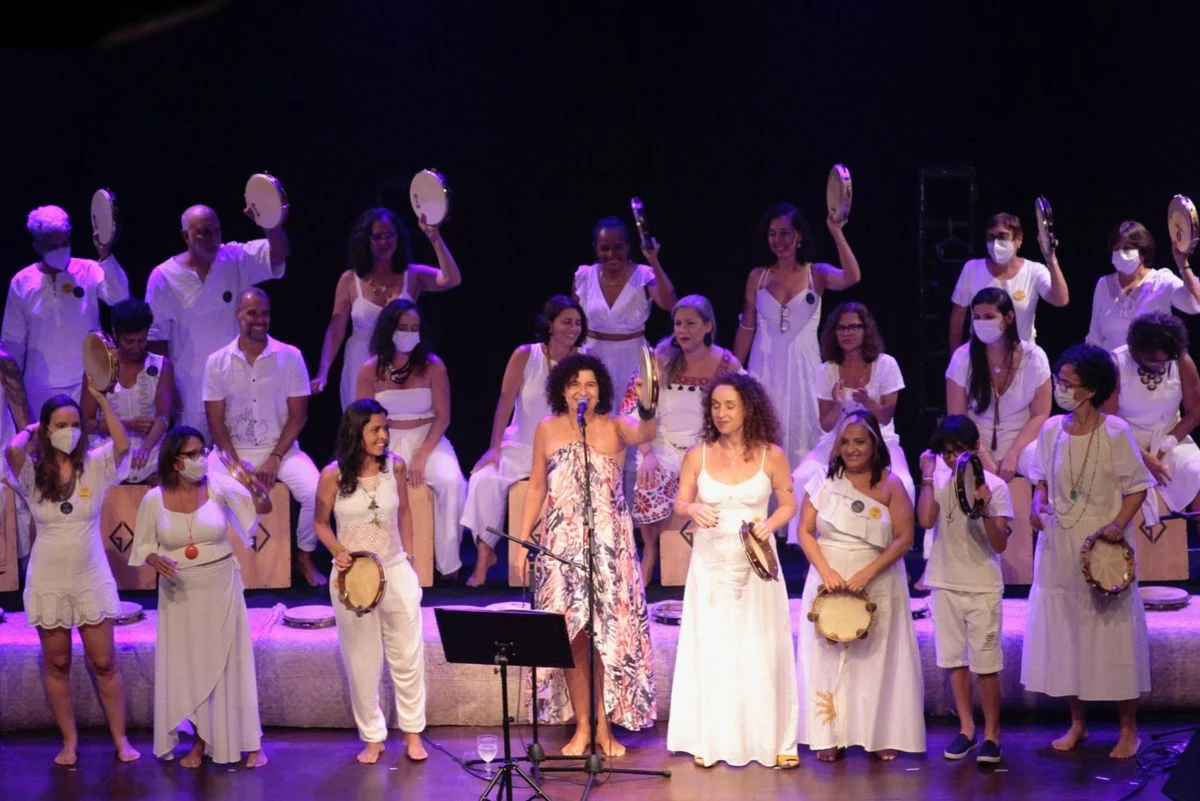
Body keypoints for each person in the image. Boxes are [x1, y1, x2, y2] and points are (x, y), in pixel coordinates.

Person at [514, 353, 657, 756]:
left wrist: (648, 403)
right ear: (561, 388)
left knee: (608, 639)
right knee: (572, 636)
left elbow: (645, 431)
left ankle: (606, 730)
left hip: (610, 548)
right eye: (575, 383)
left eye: (591, 384)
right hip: (561, 546)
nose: (582, 390)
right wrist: (522, 541)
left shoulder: (616, 426)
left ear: (601, 391)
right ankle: (582, 726)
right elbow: (538, 487)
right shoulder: (547, 428)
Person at [1024, 344, 1152, 760]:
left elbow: (1137, 487)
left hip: (1104, 548)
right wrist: (1036, 503)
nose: (1061, 389)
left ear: (1091, 389)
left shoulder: (1116, 432)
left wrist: (1117, 526)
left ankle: (1127, 728)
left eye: (1068, 384)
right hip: (1059, 546)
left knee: (1112, 636)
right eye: (1060, 381)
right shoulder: (1050, 431)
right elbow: (1041, 478)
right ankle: (1077, 723)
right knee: (1067, 634)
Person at [2, 387, 139, 765]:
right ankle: (69, 742)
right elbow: (11, 452)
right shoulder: (32, 472)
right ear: (47, 430)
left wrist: (103, 401)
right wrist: (31, 428)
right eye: (61, 425)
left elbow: (123, 444)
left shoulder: (94, 464)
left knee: (105, 662)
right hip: (48, 579)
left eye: (75, 424)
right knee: (57, 664)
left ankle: (121, 739)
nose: (70, 431)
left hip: (90, 575)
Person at [667, 373, 798, 768]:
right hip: (711, 562)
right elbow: (679, 504)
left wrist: (770, 524)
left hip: (756, 562)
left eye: (730, 406)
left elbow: (788, 504)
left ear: (748, 408)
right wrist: (692, 509)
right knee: (715, 645)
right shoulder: (698, 454)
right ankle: (711, 738)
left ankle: (771, 738)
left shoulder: (771, 454)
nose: (721, 413)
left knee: (759, 645)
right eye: (716, 406)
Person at [129, 426, 271, 768]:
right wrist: (154, 558)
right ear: (174, 460)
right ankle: (199, 742)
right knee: (190, 666)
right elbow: (144, 545)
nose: (199, 459)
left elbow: (262, 507)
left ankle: (252, 743)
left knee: (229, 664)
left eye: (201, 451)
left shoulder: (218, 486)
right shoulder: (154, 499)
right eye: (191, 454)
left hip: (221, 588)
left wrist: (253, 482)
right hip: (180, 594)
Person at [795, 409, 925, 761]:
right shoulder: (822, 481)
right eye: (846, 442)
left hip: (878, 577)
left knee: (876, 656)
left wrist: (868, 572)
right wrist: (825, 571)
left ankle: (879, 732)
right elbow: (804, 531)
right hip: (828, 577)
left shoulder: (891, 484)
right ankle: (829, 734)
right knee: (827, 654)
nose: (852, 449)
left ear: (874, 444)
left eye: (860, 442)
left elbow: (904, 538)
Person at [313, 399, 428, 764]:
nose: (383, 436)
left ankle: (413, 734)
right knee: (362, 658)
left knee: (408, 654)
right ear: (356, 432)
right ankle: (373, 737)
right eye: (375, 429)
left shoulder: (395, 467)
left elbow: (406, 514)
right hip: (353, 576)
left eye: (385, 429)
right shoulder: (333, 475)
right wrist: (337, 551)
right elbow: (320, 522)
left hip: (394, 567)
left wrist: (409, 560)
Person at [202, 288, 325, 586]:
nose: (260, 319)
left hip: (280, 449)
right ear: (238, 316)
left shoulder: (291, 356)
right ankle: (217, 565)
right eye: (252, 313)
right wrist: (236, 466)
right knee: (207, 494)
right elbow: (215, 422)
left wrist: (275, 458)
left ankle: (304, 557)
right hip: (232, 450)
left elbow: (299, 415)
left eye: (265, 313)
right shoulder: (217, 361)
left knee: (315, 491)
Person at [461, 296, 586, 587]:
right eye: (567, 321)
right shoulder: (526, 355)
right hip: (519, 446)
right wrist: (493, 448)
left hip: (562, 450)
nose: (573, 328)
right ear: (550, 324)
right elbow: (505, 401)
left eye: (578, 323)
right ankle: (484, 557)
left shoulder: (583, 361)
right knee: (483, 480)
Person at [619, 295, 740, 585]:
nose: (682, 330)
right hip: (660, 443)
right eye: (677, 324)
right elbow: (633, 409)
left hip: (704, 446)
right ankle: (650, 549)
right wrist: (647, 453)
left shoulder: (726, 364)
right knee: (650, 477)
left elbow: (743, 406)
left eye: (690, 324)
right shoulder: (658, 359)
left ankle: (689, 557)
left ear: (708, 326)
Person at [733, 203, 862, 467]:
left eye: (785, 233)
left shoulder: (817, 273)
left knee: (804, 428)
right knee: (763, 429)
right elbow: (747, 326)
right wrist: (734, 368)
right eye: (772, 234)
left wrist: (836, 232)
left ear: (799, 236)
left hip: (803, 366)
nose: (778, 240)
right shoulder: (758, 276)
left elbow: (852, 276)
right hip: (764, 364)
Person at [146, 203, 289, 440]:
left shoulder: (235, 257)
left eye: (216, 231)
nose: (212, 238)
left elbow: (279, 252)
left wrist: (269, 224)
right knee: (195, 458)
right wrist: (167, 389)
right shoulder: (162, 276)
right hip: (190, 387)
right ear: (186, 236)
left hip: (237, 382)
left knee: (240, 455)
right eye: (204, 232)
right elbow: (156, 340)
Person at [916, 416, 1012, 764]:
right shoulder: (938, 483)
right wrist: (927, 475)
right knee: (954, 661)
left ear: (974, 449)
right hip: (944, 583)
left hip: (982, 586)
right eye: (945, 453)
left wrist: (985, 508)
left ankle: (992, 735)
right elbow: (926, 520)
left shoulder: (997, 486)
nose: (952, 459)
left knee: (985, 664)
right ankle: (967, 729)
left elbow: (1000, 544)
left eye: (958, 451)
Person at [356, 299, 467, 580]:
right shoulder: (370, 370)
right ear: (389, 330)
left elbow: (443, 416)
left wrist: (421, 455)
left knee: (451, 482)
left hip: (428, 438)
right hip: (384, 440)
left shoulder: (433, 366)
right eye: (403, 327)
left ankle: (448, 564)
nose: (409, 333)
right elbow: (362, 420)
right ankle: (380, 560)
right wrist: (384, 454)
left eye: (414, 327)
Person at [311, 207, 463, 410]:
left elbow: (452, 279)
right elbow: (336, 329)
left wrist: (434, 237)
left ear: (398, 237)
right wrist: (323, 372)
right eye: (377, 236)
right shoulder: (350, 279)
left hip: (401, 362)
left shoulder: (413, 275)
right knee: (364, 428)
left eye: (390, 235)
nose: (385, 242)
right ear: (366, 240)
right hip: (360, 360)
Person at [787, 302, 913, 545]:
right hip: (838, 440)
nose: (847, 333)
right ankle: (809, 549)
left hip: (880, 439)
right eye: (841, 328)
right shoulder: (826, 370)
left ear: (866, 330)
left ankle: (898, 550)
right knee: (803, 476)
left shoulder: (886, 364)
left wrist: (869, 402)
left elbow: (886, 417)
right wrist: (836, 403)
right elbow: (826, 425)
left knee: (904, 481)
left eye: (854, 327)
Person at [2, 204, 130, 414]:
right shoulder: (22, 282)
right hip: (40, 388)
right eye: (53, 246)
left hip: (89, 382)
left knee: (90, 444)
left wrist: (105, 254)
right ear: (37, 246)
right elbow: (13, 343)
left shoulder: (89, 269)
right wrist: (12, 392)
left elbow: (120, 298)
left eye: (65, 242)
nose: (61, 250)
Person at [946, 287, 1051, 481]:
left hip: (1021, 443)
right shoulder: (962, 358)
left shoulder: (1035, 358)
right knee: (943, 473)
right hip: (973, 442)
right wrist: (983, 458)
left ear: (1009, 317)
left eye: (989, 317)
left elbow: (1040, 414)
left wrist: (1013, 454)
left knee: (1045, 466)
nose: (981, 323)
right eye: (976, 317)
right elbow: (958, 418)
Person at [1103, 312, 1200, 513]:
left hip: (1172, 438)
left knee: (1197, 472)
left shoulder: (1181, 361)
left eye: (1165, 360)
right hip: (1123, 443)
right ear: (1134, 349)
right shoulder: (1114, 364)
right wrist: (1142, 456)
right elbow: (1107, 422)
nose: (1161, 365)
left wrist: (1165, 447)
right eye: (1154, 360)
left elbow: (1195, 412)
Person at [572, 216, 676, 396]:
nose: (611, 254)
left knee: (633, 419)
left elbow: (670, 304)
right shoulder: (584, 277)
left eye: (618, 247)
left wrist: (654, 261)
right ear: (595, 249)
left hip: (634, 359)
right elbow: (571, 322)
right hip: (592, 358)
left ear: (628, 247)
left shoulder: (644, 275)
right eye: (605, 248)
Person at [81, 299, 176, 484]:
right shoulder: (98, 367)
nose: (136, 347)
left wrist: (146, 448)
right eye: (129, 341)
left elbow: (164, 417)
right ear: (115, 334)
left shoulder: (161, 365)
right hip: (109, 450)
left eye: (142, 340)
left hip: (151, 450)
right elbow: (86, 422)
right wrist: (128, 425)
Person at [948, 212, 1068, 349]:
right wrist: (956, 360)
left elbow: (1061, 300)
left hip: (1022, 357)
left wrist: (1051, 260)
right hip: (980, 358)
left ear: (1018, 239)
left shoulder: (1034, 271)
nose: (995, 243)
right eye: (991, 237)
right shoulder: (972, 269)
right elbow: (957, 321)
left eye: (1002, 236)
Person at [1086, 220, 1200, 351]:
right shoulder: (1103, 284)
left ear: (1143, 252)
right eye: (1116, 248)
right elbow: (1094, 338)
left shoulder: (1161, 280)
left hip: (1154, 369)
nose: (1120, 253)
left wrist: (1183, 263)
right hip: (1112, 368)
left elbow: (1195, 304)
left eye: (1127, 248)